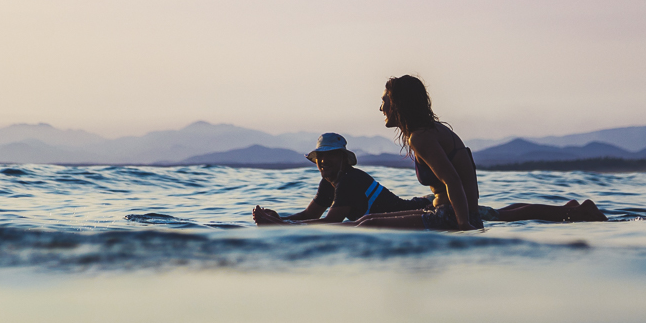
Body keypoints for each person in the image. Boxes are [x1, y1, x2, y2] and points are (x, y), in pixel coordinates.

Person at [360, 75, 608, 230]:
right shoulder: (432, 131)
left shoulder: (420, 137)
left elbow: (452, 180)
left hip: (450, 215)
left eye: (385, 101)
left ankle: (320, 233)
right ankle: (572, 210)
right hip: (457, 209)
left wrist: (463, 224)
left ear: (400, 104)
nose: (381, 107)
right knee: (506, 212)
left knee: (367, 223)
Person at [252, 133, 431, 226]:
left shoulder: (349, 181)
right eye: (320, 156)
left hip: (421, 209)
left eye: (330, 155)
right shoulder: (329, 182)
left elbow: (331, 222)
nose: (323, 161)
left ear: (343, 159)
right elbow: (310, 215)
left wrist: (280, 225)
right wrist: (279, 218)